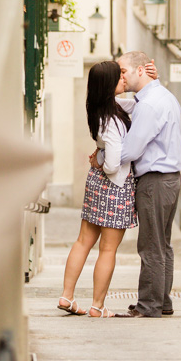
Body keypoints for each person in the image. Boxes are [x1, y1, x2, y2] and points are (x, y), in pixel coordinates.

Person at [92, 51, 181, 318]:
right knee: (162, 244)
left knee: (150, 245)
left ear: (140, 71)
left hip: (155, 181)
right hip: (170, 179)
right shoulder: (160, 96)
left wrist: (101, 156)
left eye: (122, 71)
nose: (120, 76)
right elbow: (126, 106)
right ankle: (162, 302)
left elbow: (130, 151)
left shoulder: (148, 105)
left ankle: (149, 305)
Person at [58, 60, 138, 318]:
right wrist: (103, 159)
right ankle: (97, 305)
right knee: (108, 249)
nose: (124, 80)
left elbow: (138, 104)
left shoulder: (101, 109)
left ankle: (66, 296)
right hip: (114, 185)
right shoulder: (113, 121)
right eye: (119, 77)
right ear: (109, 84)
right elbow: (114, 165)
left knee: (83, 242)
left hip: (96, 183)